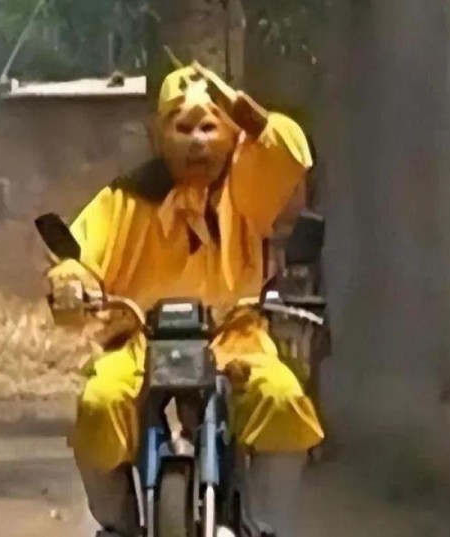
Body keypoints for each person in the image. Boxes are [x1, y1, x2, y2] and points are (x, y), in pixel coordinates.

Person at [46, 62, 324, 537]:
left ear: (230, 134)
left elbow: (290, 155)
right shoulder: (124, 198)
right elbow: (80, 254)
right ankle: (117, 522)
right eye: (184, 128)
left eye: (210, 127)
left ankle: (260, 525)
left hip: (233, 337)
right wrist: (72, 282)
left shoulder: (247, 189)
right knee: (100, 402)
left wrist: (249, 114)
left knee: (282, 396)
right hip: (140, 339)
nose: (197, 141)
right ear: (160, 136)